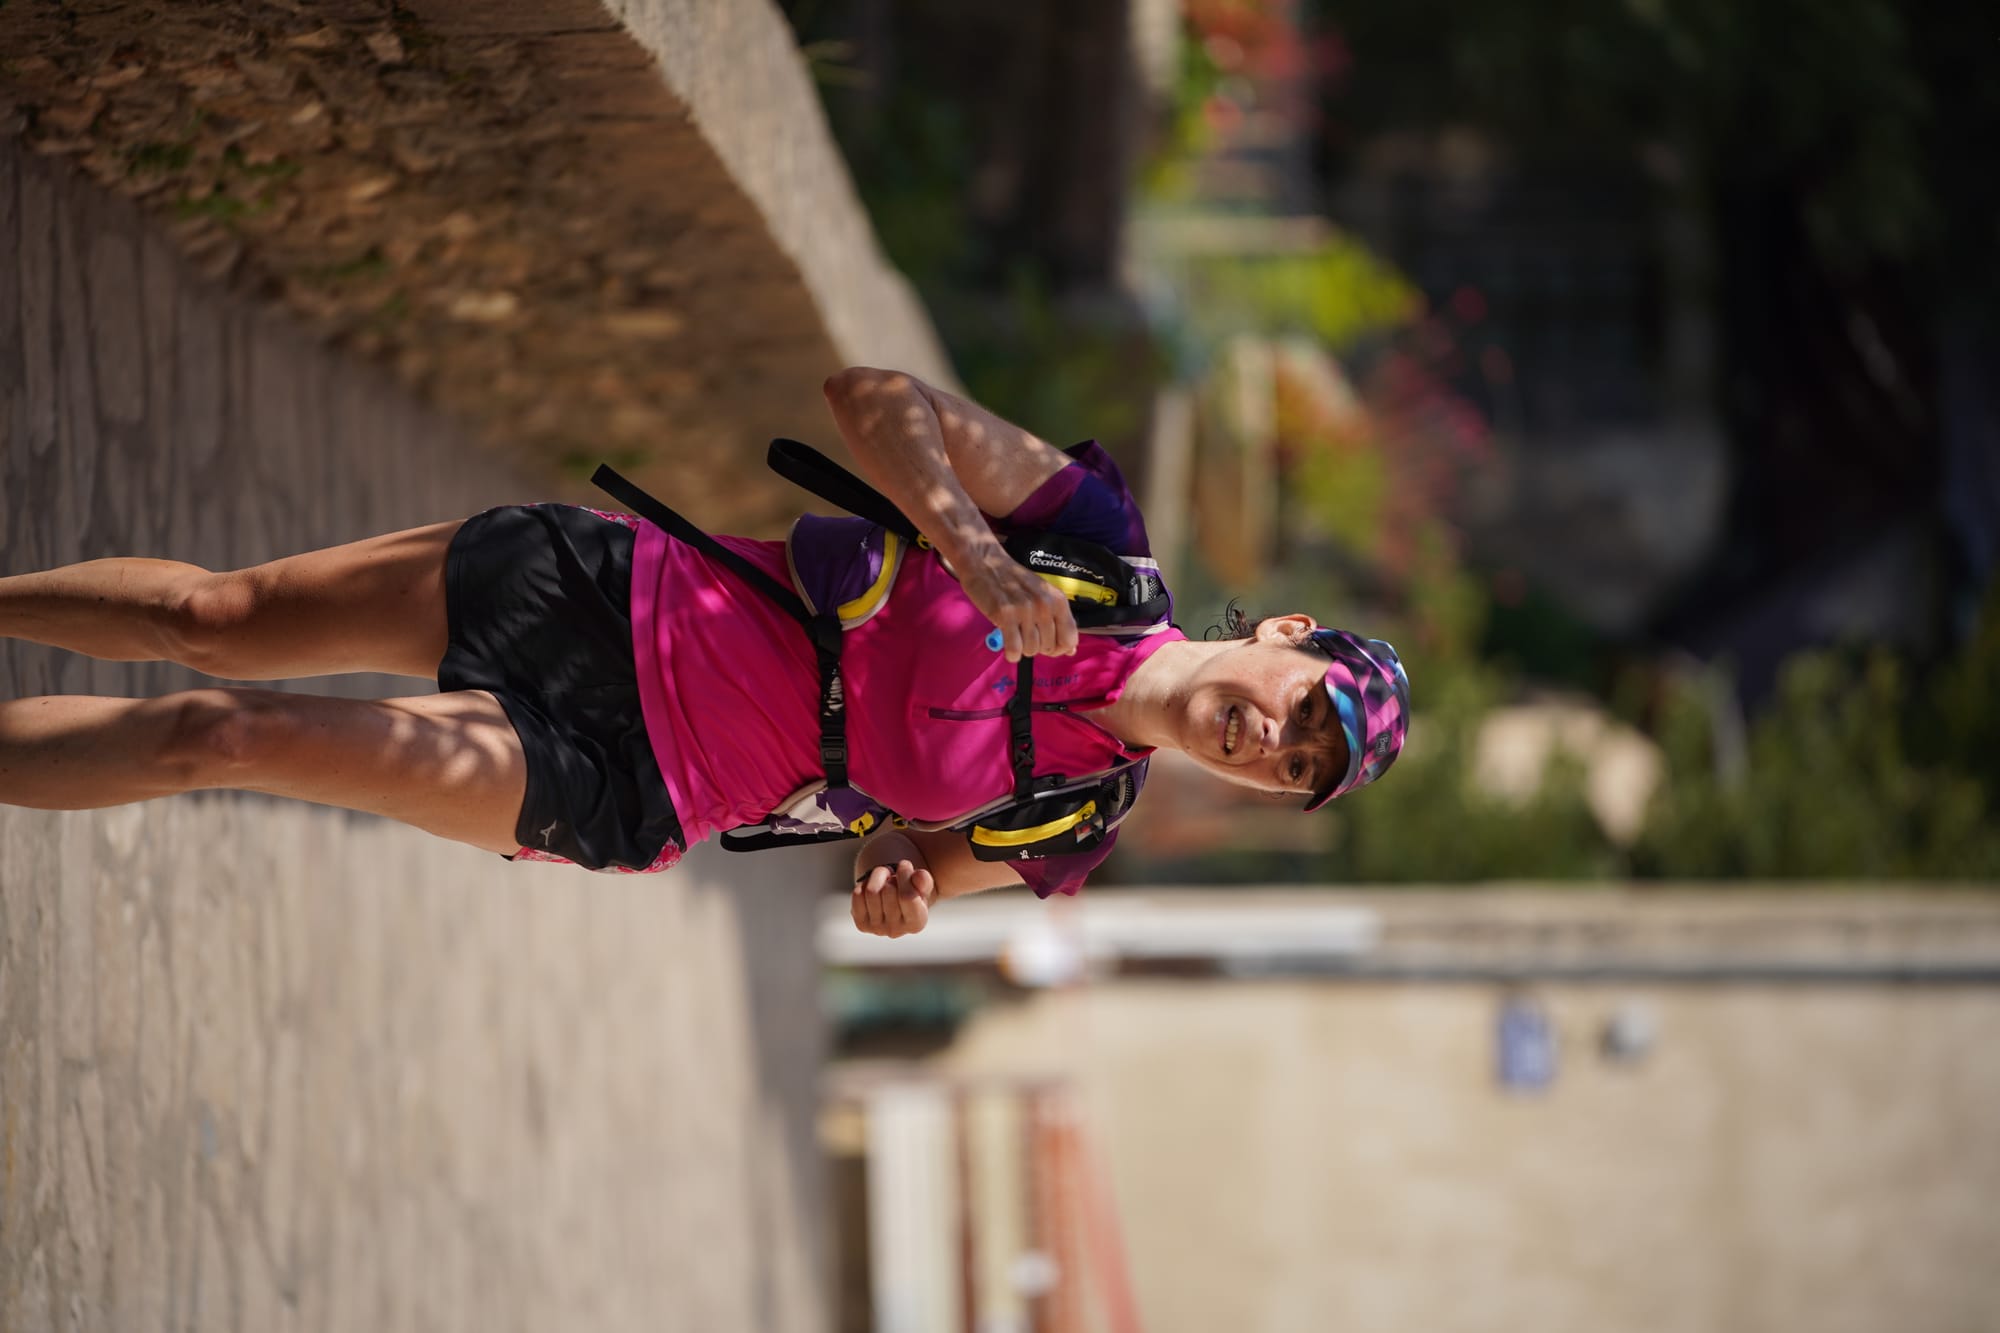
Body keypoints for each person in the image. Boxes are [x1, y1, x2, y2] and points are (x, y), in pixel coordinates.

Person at [0, 368, 1408, 936]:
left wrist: (899, 886)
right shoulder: (1093, 540)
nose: (1272, 744)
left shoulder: (1079, 818)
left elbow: (900, 862)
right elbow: (873, 397)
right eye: (1307, 710)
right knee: (215, 619)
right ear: (1286, 636)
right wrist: (978, 551)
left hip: (633, 781)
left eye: (1299, 770)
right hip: (611, 592)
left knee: (223, 737)